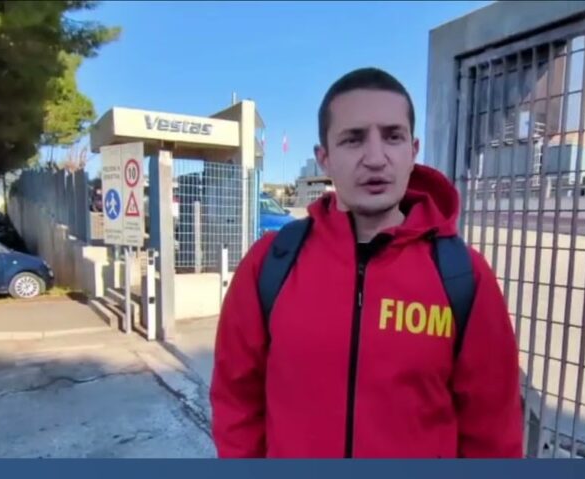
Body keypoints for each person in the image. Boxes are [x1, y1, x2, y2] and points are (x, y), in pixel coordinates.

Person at [210, 67, 523, 458]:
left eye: (393, 136)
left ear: (413, 151)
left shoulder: (463, 277)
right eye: (353, 139)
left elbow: (493, 431)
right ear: (324, 158)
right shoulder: (269, 265)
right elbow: (236, 402)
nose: (375, 158)